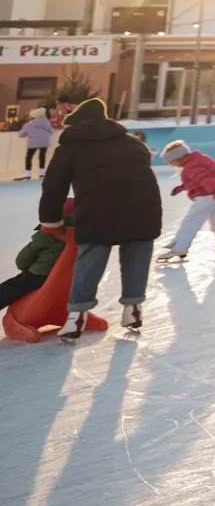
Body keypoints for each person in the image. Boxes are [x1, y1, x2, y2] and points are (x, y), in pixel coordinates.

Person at [41, 99, 163, 339]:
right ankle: (133, 310)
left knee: (90, 259)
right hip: (142, 210)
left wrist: (50, 220)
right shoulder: (132, 143)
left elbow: (53, 186)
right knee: (137, 255)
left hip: (98, 211)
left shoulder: (71, 147)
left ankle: (76, 319)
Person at [155, 139, 215, 263]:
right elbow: (199, 179)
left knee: (191, 221)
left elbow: (205, 179)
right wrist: (183, 187)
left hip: (208, 196)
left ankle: (179, 248)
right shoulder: (198, 160)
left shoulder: (190, 166)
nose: (172, 165)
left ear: (178, 157)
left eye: (172, 162)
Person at [0, 219, 70, 312]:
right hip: (70, 278)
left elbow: (22, 260)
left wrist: (26, 269)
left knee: (8, 289)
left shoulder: (47, 235)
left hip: (41, 276)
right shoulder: (85, 231)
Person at [19, 105, 54, 177]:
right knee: (42, 156)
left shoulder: (28, 124)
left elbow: (21, 134)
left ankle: (27, 173)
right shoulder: (46, 122)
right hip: (44, 141)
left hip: (33, 142)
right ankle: (42, 172)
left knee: (29, 157)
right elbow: (51, 131)